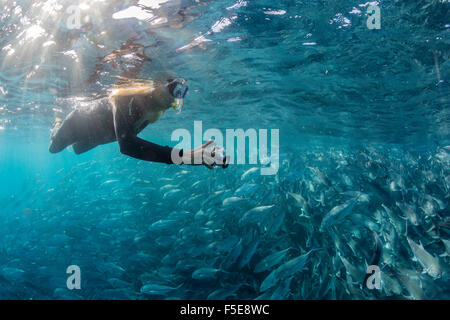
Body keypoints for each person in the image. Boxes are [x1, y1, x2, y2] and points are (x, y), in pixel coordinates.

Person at [49, 77, 228, 169]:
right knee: (55, 148)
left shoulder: (149, 115)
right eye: (173, 89)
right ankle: (57, 124)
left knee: (78, 150)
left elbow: (128, 140)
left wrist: (196, 152)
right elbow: (127, 145)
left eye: (179, 95)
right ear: (157, 85)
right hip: (78, 122)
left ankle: (74, 139)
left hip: (97, 136)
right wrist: (186, 156)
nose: (174, 100)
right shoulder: (124, 99)